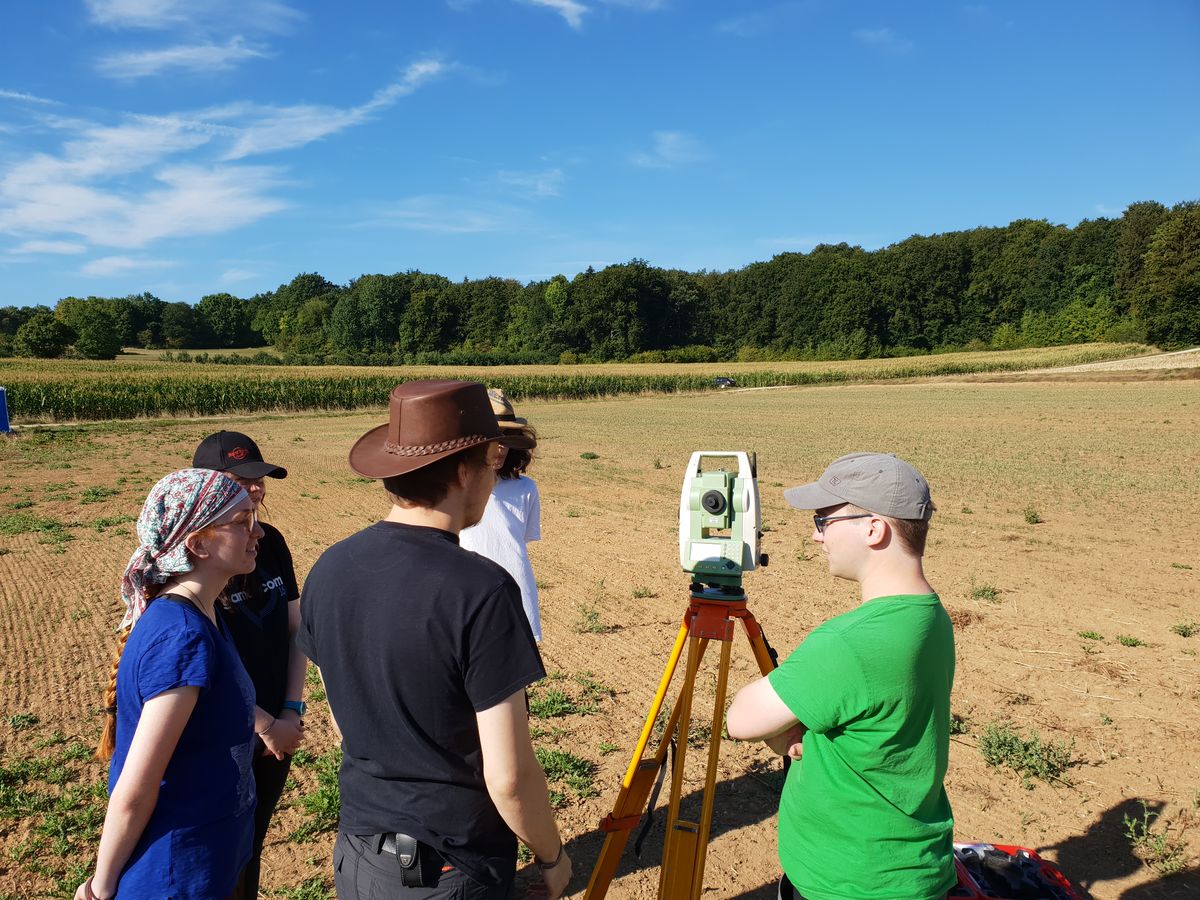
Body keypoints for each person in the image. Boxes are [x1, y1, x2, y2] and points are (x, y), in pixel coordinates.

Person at [298, 380, 573, 900]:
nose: (497, 473)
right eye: (493, 459)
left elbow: (341, 716)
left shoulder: (329, 568)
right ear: (465, 468)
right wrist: (552, 857)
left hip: (358, 853)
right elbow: (509, 776)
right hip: (449, 866)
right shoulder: (482, 589)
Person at [726, 452, 956, 900]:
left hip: (849, 881)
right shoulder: (929, 617)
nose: (816, 536)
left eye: (823, 520)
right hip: (905, 869)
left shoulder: (850, 643)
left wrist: (791, 728)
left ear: (874, 529)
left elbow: (741, 720)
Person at [77, 468, 263, 900]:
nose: (258, 533)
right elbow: (136, 788)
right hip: (174, 878)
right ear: (197, 544)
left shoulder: (204, 614)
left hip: (208, 863)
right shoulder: (182, 636)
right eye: (242, 522)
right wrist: (100, 888)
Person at [192, 430, 307, 898]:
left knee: (252, 843)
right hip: (224, 734)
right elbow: (204, 661)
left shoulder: (270, 542)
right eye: (240, 479)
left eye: (258, 479)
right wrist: (263, 724)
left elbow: (297, 630)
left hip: (277, 727)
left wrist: (291, 710)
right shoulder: (198, 559)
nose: (255, 488)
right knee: (221, 851)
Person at [459, 388, 543, 640]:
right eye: (493, 438)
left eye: (507, 438)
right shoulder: (455, 488)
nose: (501, 448)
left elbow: (516, 544)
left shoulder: (525, 488)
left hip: (515, 590)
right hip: (465, 593)